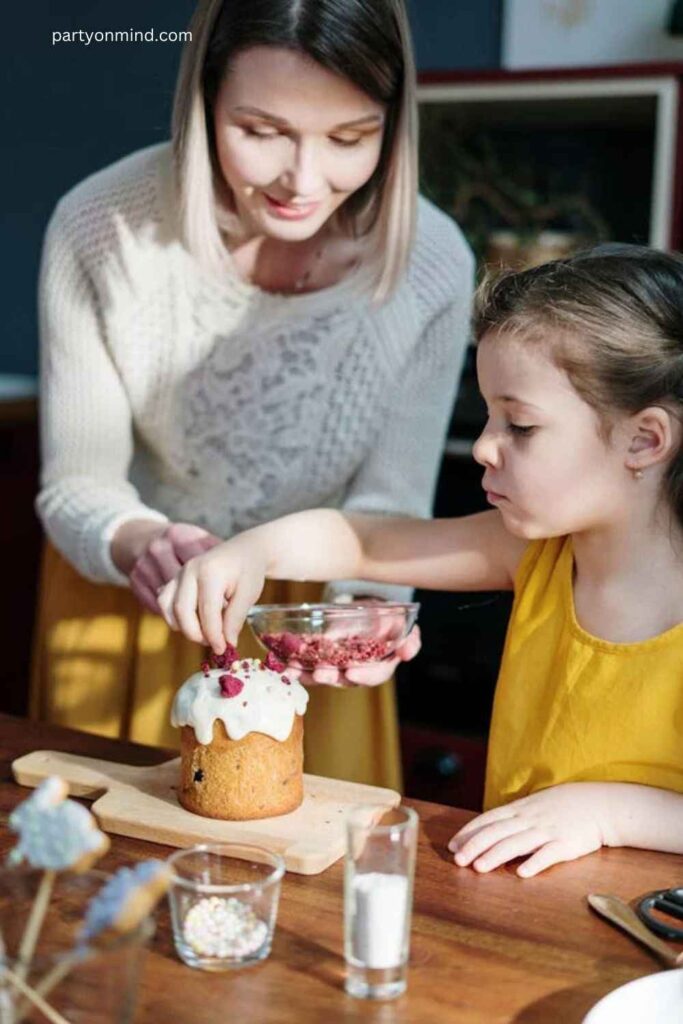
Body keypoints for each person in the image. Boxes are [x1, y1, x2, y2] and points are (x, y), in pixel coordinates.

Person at [31, 0, 473, 789]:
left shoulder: (431, 262)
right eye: (261, 130)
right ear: (201, 99)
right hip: (131, 601)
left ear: (394, 124)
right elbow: (76, 486)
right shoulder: (100, 226)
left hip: (304, 625)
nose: (303, 180)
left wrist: (363, 611)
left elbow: (391, 499)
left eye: (349, 138)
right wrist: (142, 540)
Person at [159, 244, 683, 875]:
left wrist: (607, 814)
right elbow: (365, 543)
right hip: (524, 906)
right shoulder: (533, 552)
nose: (485, 447)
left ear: (644, 439)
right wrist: (254, 549)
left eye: (520, 426)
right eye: (490, 415)